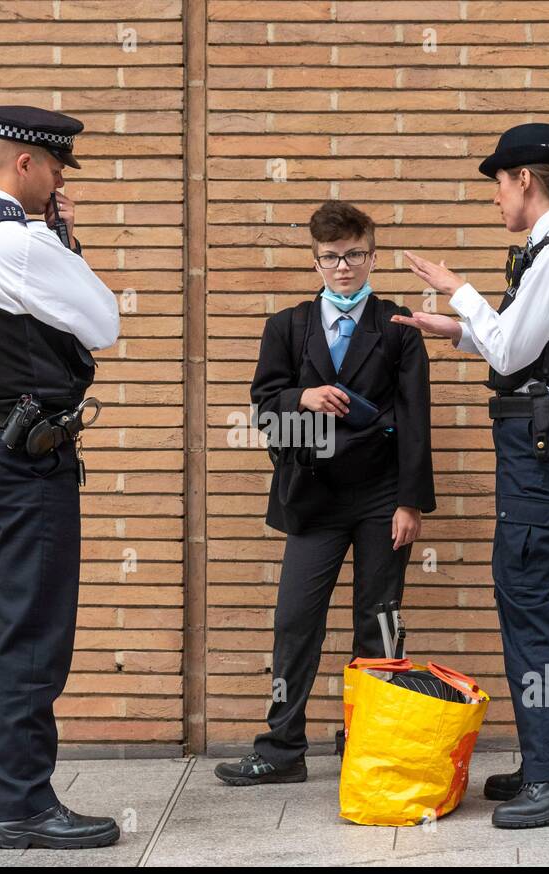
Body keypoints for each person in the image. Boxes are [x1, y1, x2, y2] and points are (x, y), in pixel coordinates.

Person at [395, 123, 549, 828]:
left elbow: (515, 350)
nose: (494, 198)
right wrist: (459, 329)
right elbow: (521, 348)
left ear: (525, 179)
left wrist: (461, 294)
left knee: (530, 599)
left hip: (544, 452)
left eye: (498, 182)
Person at [0, 105, 122, 848]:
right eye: (56, 169)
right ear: (25, 166)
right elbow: (102, 321)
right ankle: (22, 805)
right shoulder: (19, 240)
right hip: (24, 461)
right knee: (33, 630)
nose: (59, 182)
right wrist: (64, 242)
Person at [214, 200, 437, 785]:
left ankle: (368, 742)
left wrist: (410, 502)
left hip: (381, 497)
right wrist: (302, 399)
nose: (343, 268)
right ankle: (283, 749)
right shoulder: (287, 327)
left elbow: (416, 420)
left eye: (354, 256)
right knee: (295, 620)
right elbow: (266, 410)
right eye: (331, 258)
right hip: (311, 496)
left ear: (371, 256)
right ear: (315, 260)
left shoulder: (398, 327)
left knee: (378, 619)